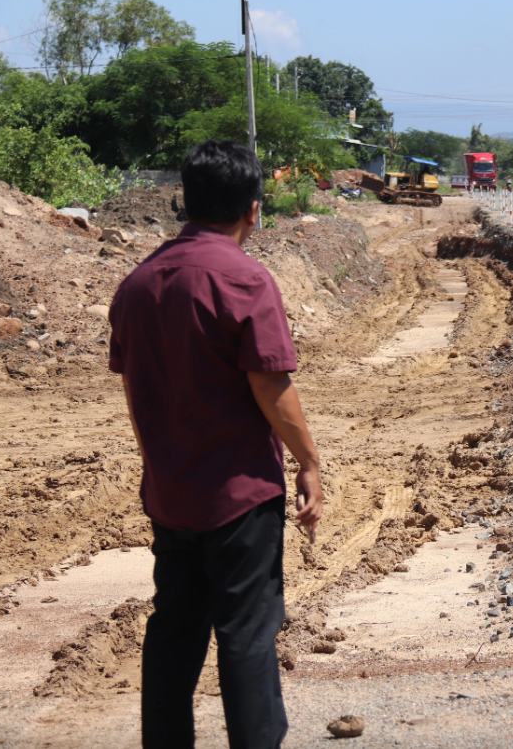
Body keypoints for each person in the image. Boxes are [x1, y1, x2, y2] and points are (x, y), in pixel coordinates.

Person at [109, 139, 324, 749]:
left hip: (171, 494)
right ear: (253, 210)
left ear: (185, 202)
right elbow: (271, 386)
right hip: (239, 496)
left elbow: (134, 394)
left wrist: (160, 465)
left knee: (174, 629)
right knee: (247, 635)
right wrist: (308, 462)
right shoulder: (245, 279)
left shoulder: (137, 283)